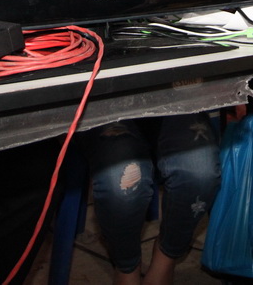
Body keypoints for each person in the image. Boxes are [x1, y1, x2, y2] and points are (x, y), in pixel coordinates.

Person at [80, 113, 220, 285]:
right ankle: (127, 266)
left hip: (174, 103)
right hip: (106, 107)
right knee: (122, 183)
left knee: (200, 172)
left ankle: (166, 257)